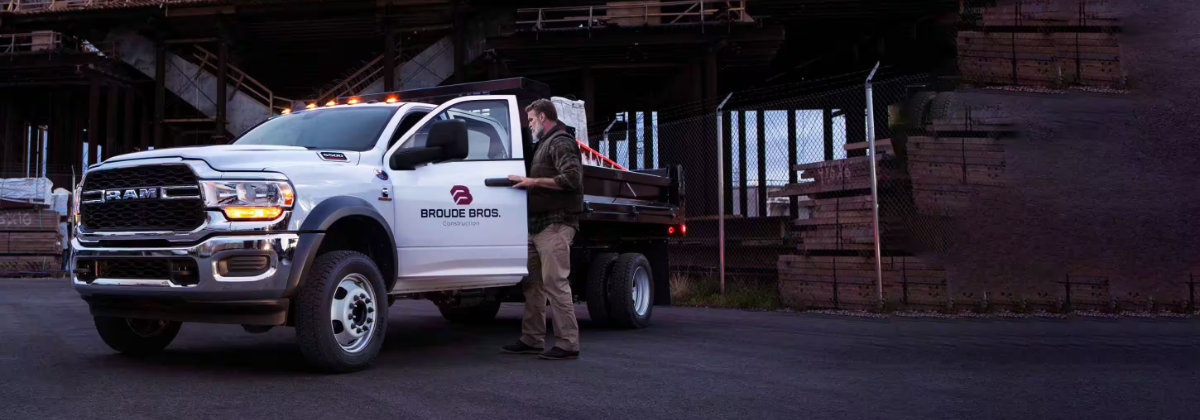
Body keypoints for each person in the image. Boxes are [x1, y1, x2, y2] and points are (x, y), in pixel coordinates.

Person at [501, 99, 583, 360]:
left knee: (555, 283)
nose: (530, 124)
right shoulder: (542, 145)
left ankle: (568, 344)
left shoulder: (561, 141)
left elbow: (572, 178)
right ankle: (532, 338)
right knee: (532, 284)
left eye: (532, 120)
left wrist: (532, 181)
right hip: (537, 225)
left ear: (545, 117)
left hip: (555, 224)